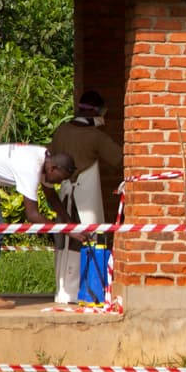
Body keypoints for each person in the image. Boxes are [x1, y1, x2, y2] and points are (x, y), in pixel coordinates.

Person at [0, 144, 78, 310]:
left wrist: (70, 223)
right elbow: (32, 215)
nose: (60, 182)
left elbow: (51, 196)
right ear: (53, 168)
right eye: (61, 178)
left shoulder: (44, 160)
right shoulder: (31, 167)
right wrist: (66, 231)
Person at [47, 90, 123, 304]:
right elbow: (119, 159)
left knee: (64, 240)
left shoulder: (61, 130)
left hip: (63, 195)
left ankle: (63, 291)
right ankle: (80, 290)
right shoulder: (95, 137)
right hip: (84, 196)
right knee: (87, 240)